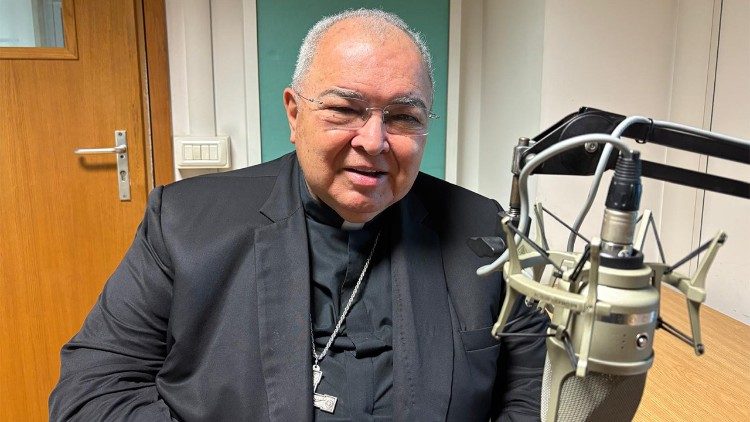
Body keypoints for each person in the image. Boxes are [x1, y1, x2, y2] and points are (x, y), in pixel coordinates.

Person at [50, 8, 547, 421]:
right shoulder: (183, 222)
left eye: (402, 117)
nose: (374, 141)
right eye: (345, 109)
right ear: (294, 113)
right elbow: (94, 393)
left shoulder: (485, 231)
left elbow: (535, 395)